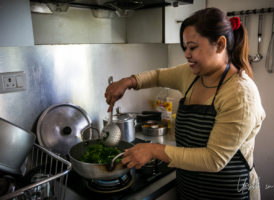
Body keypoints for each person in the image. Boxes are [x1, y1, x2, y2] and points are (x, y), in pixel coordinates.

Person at [104, 7, 265, 200]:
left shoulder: (240, 94)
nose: (187, 54)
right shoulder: (193, 75)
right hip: (190, 190)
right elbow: (158, 75)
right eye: (185, 48)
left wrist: (154, 150)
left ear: (220, 44)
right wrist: (127, 82)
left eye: (193, 47)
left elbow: (214, 159)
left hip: (229, 193)